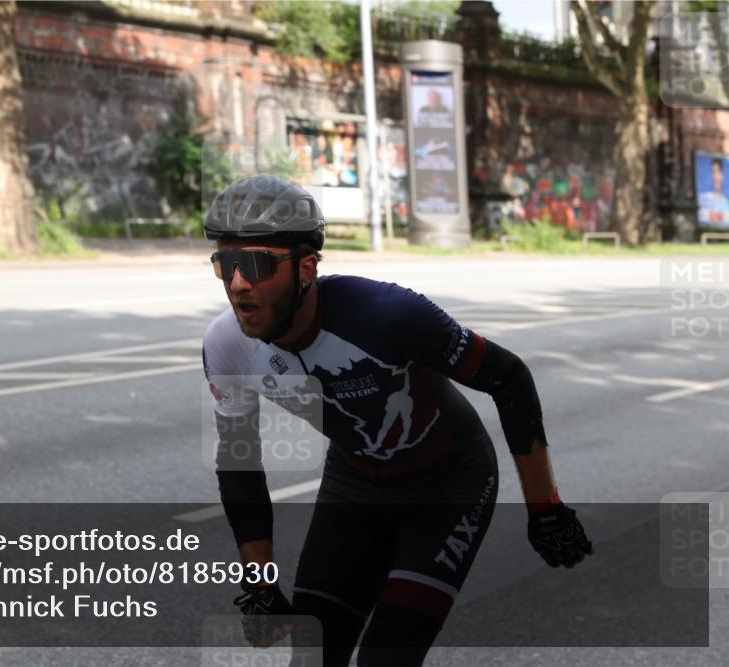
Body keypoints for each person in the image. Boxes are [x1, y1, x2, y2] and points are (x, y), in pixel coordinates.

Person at [201, 175, 593, 667]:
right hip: (355, 483)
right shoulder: (226, 346)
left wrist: (546, 507)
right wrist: (259, 582)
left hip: (449, 484)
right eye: (226, 265)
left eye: (257, 264)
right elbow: (238, 463)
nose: (238, 284)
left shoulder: (388, 314)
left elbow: (508, 378)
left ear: (306, 268)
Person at [699, 157, 729, 225]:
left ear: (722, 175)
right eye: (713, 172)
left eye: (717, 172)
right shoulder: (704, 198)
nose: (715, 177)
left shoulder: (726, 203)